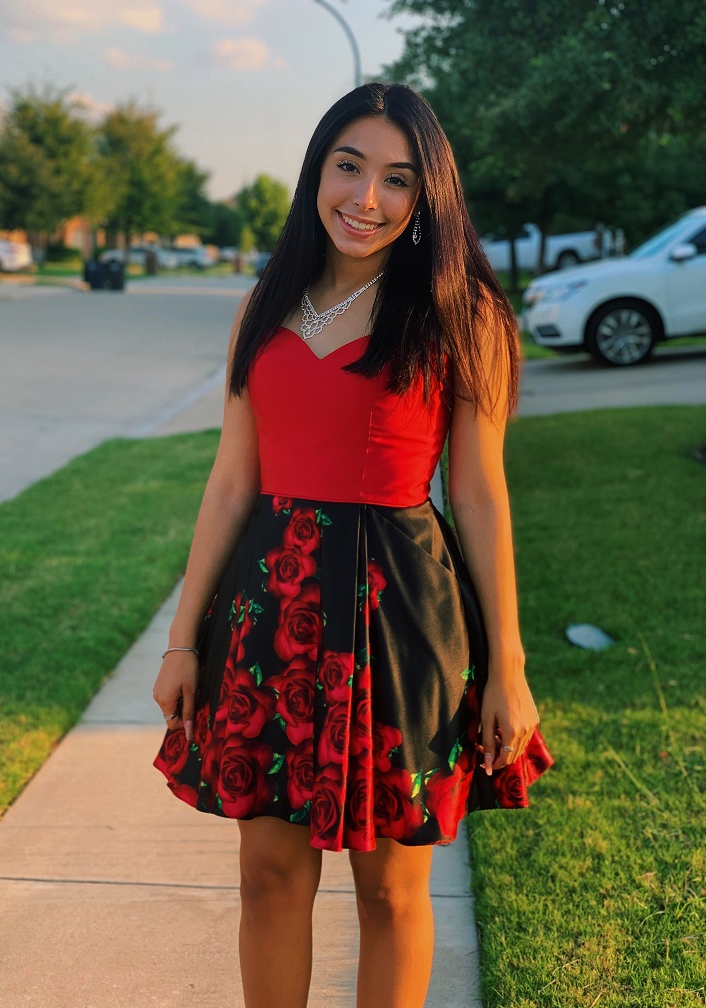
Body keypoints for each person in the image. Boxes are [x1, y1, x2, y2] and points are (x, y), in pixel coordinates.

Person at [153, 82, 553, 1008]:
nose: (365, 198)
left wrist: (511, 668)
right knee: (268, 873)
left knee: (390, 889)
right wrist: (183, 640)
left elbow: (482, 496)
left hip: (402, 616)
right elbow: (229, 481)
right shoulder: (267, 303)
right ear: (316, 172)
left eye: (396, 179)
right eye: (349, 166)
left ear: (426, 198)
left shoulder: (464, 314)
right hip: (269, 609)